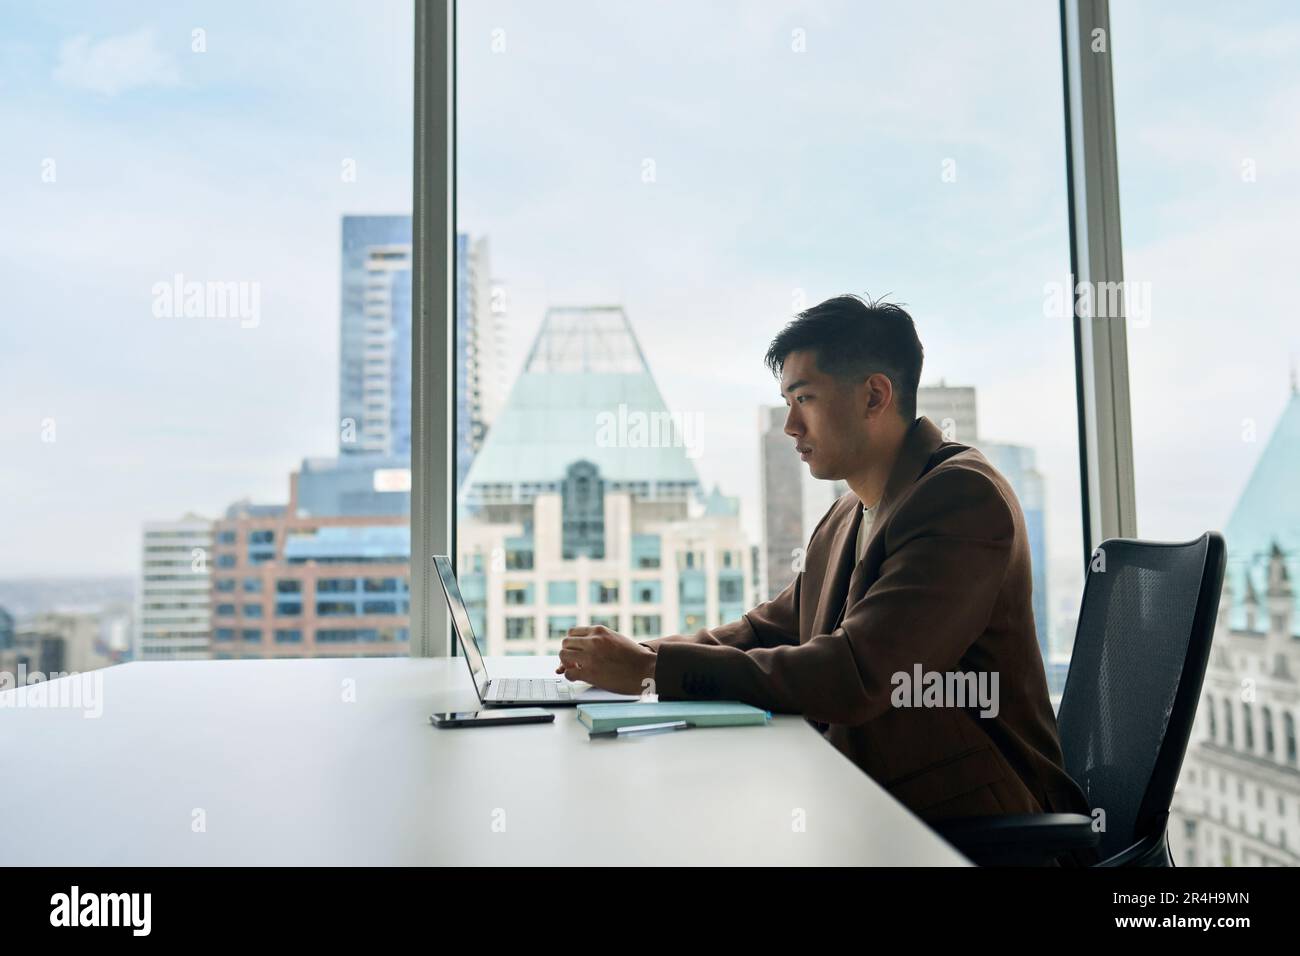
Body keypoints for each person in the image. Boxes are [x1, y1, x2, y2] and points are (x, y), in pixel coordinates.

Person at [557, 293, 1093, 861]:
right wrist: (638, 652)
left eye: (804, 398)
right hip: (873, 794)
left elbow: (856, 671)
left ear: (874, 395)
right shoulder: (850, 510)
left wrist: (651, 671)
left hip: (970, 819)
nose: (791, 425)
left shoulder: (961, 498)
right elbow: (771, 628)